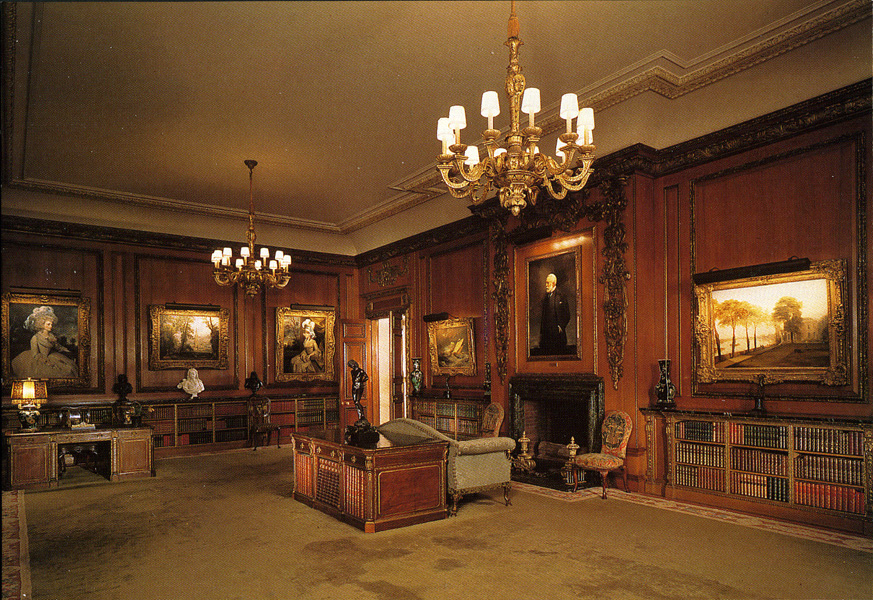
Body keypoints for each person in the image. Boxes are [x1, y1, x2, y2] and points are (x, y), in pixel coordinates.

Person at [11, 305, 78, 378]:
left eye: (51, 324)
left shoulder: (51, 336)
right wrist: (47, 362)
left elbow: (57, 346)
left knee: (68, 369)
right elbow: (35, 354)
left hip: (52, 356)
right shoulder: (35, 337)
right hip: (39, 360)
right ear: (41, 324)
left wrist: (66, 350)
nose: (50, 326)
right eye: (48, 324)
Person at [539, 273, 571, 354]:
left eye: (548, 283)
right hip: (546, 337)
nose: (546, 285)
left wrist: (561, 327)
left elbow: (567, 315)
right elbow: (543, 316)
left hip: (558, 336)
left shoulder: (561, 296)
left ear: (553, 284)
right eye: (546, 283)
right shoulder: (545, 297)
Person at [347, 359, 369, 424]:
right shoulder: (352, 372)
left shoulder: (361, 371)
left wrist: (361, 381)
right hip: (354, 386)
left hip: (359, 386)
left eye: (351, 365)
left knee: (357, 401)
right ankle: (361, 416)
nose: (351, 367)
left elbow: (366, 377)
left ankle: (362, 416)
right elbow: (353, 379)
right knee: (355, 401)